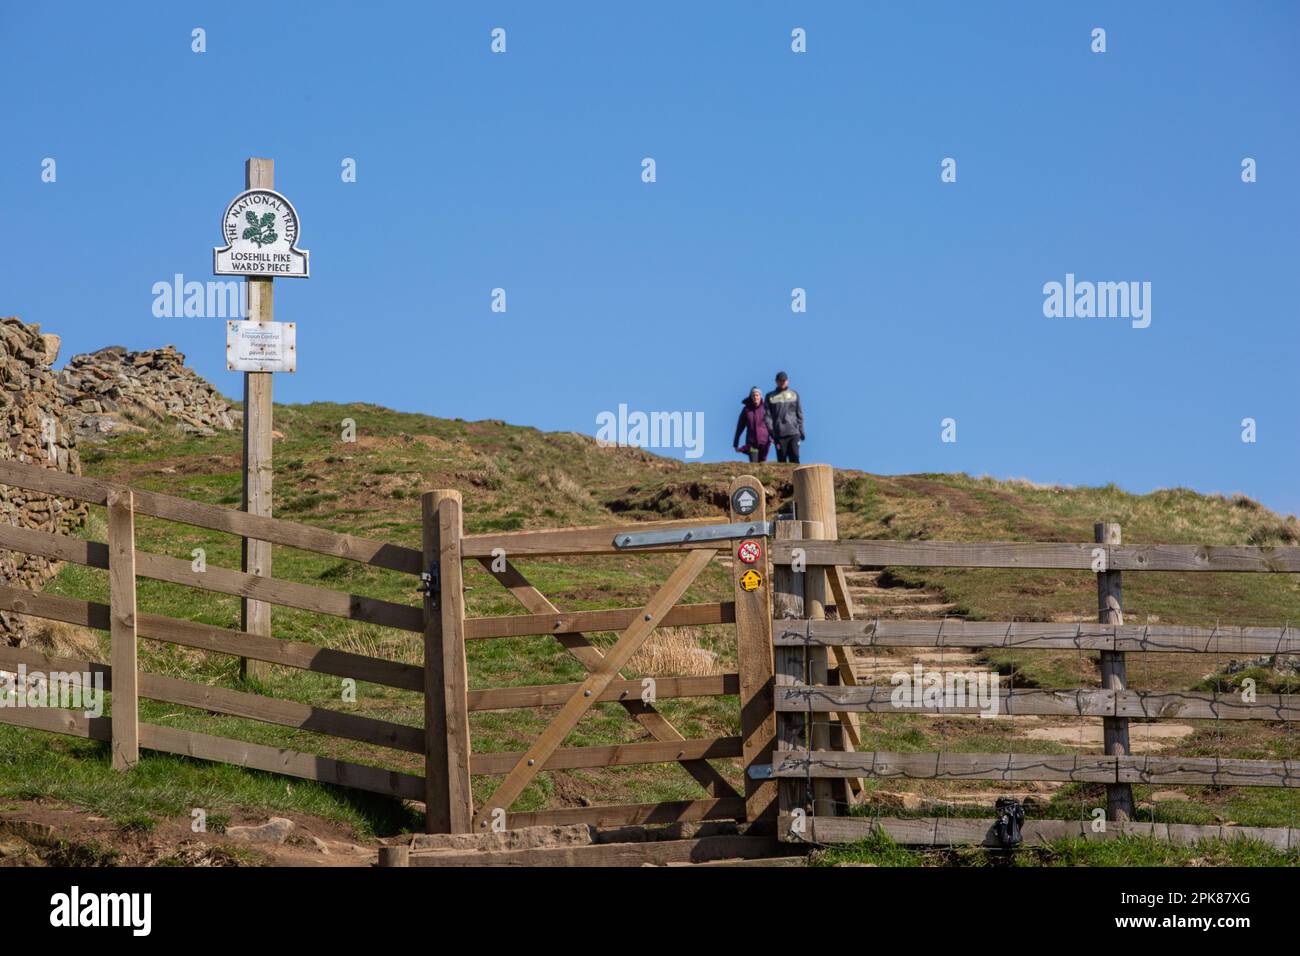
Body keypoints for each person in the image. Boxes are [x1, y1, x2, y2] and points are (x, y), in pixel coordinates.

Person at [764, 371, 804, 463]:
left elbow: (799, 414)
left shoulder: (794, 394)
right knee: (782, 461)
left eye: (784, 380)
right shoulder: (770, 396)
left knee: (795, 457)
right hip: (779, 434)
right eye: (780, 380)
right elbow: (767, 416)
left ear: (787, 381)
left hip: (793, 432)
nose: (782, 382)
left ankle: (797, 477)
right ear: (776, 381)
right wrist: (771, 430)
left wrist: (801, 430)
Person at [732, 386, 770, 462]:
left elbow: (771, 424)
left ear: (760, 396)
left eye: (757, 395)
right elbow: (740, 427)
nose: (755, 397)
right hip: (752, 443)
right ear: (751, 397)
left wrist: (773, 438)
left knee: (763, 465)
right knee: (754, 465)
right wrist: (736, 443)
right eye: (753, 395)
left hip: (764, 442)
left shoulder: (766, 408)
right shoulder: (746, 410)